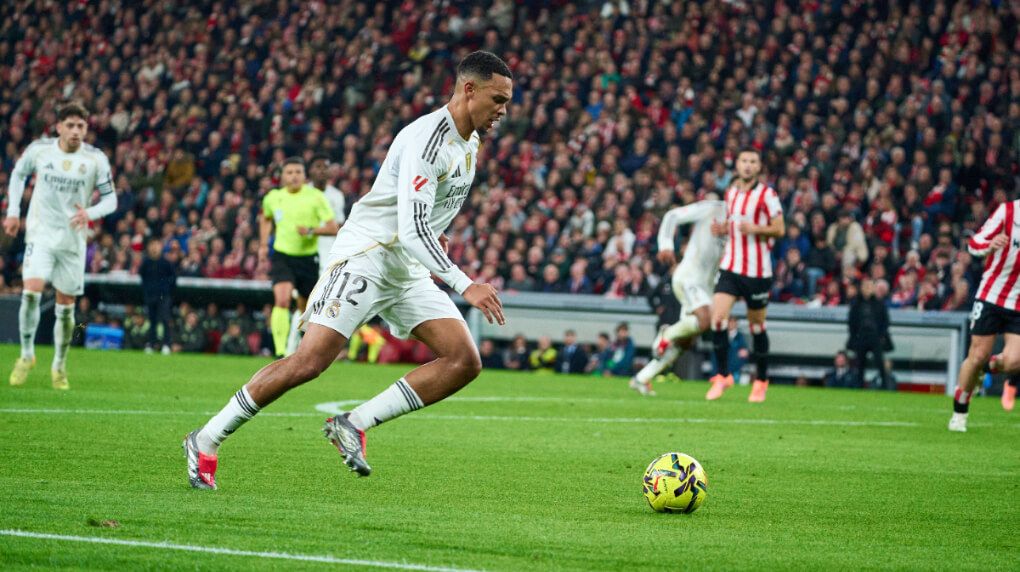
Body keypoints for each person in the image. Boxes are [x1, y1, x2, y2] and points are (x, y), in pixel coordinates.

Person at [184, 51, 511, 488]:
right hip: (368, 255)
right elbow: (410, 228)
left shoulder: (469, 140)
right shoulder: (427, 140)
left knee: (464, 360)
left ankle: (353, 424)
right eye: (498, 99)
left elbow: (423, 219)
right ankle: (206, 438)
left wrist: (437, 232)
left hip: (407, 264)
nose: (504, 111)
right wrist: (463, 283)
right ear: (468, 90)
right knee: (310, 362)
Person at [6, 102, 118, 390]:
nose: (76, 131)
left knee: (65, 309)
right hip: (41, 234)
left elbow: (111, 200)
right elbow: (18, 175)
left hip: (72, 240)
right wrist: (13, 213)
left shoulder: (95, 159)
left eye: (81, 126)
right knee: (30, 293)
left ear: (86, 128)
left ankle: (58, 365)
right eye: (70, 125)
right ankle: (27, 354)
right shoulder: (40, 150)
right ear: (59, 127)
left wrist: (88, 214)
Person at [707, 148, 784, 402]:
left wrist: (756, 228)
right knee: (717, 319)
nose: (748, 165)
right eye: (744, 161)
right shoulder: (731, 192)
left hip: (757, 271)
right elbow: (734, 225)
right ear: (736, 165)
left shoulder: (767, 194)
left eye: (753, 161)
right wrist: (722, 229)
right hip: (731, 266)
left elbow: (780, 229)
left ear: (759, 166)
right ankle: (722, 376)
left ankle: (760, 381)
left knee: (756, 326)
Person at [629, 197, 725, 395]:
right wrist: (665, 244)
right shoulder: (713, 208)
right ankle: (667, 334)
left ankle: (642, 378)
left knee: (685, 343)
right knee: (705, 320)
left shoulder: (744, 224)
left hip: (706, 287)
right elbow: (672, 215)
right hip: (689, 278)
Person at [949, 198, 1020, 432]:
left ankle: (986, 367)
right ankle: (960, 412)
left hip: (1018, 304)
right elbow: (975, 242)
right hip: (991, 294)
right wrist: (990, 246)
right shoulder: (1008, 211)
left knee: (1013, 362)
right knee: (977, 354)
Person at [259, 157, 339, 357]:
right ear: (283, 176)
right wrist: (262, 245)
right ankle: (279, 352)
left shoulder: (316, 197)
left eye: (298, 172)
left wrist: (311, 230)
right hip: (282, 255)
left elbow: (332, 227)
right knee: (282, 299)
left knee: (305, 309)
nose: (294, 176)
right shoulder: (273, 197)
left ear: (304, 176)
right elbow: (266, 218)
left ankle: (303, 349)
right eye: (290, 172)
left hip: (307, 258)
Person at [847, 279, 893, 390]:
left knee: (879, 362)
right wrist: (854, 336)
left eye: (869, 287)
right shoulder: (856, 304)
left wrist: (881, 335)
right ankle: (859, 385)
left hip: (875, 337)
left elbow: (885, 321)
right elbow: (851, 322)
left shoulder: (879, 304)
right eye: (865, 287)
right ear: (861, 288)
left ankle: (884, 385)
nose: (867, 289)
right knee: (860, 363)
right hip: (861, 337)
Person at [309, 154, 347, 275]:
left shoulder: (337, 195)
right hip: (307, 251)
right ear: (310, 170)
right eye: (318, 166)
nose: (322, 170)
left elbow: (339, 227)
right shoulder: (303, 193)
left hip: (329, 252)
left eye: (325, 167)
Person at [139, 238, 176, 355]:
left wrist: (166, 290)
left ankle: (166, 344)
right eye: (152, 245)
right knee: (152, 320)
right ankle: (151, 343)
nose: (154, 248)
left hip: (163, 296)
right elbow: (142, 277)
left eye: (156, 245)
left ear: (160, 247)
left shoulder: (166, 263)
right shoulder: (145, 263)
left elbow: (173, 279)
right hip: (150, 296)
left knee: (165, 319)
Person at [708, 317, 749, 381]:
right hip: (718, 370)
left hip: (734, 371)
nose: (731, 324)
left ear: (736, 323)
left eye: (733, 322)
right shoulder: (720, 336)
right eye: (729, 321)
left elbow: (743, 353)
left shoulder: (740, 337)